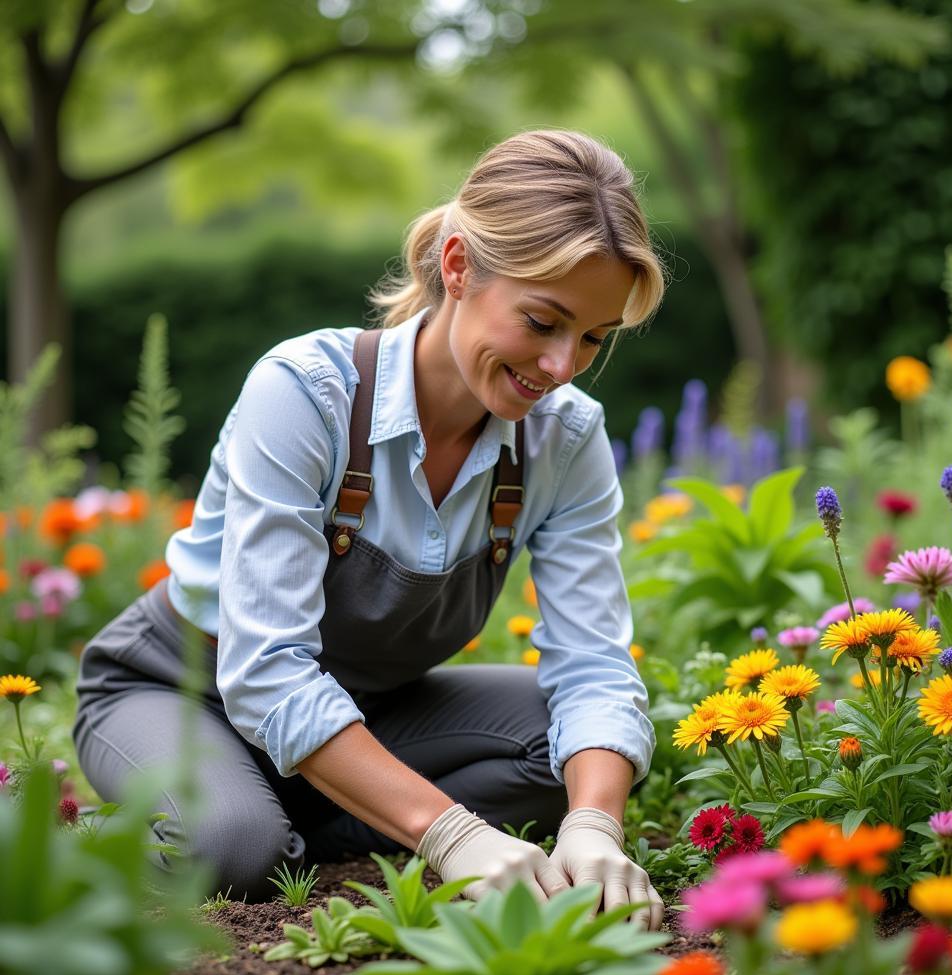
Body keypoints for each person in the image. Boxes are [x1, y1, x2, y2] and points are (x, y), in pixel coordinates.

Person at [73, 128, 667, 931]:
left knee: (565, 759)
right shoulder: (307, 394)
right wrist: (451, 831)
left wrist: (596, 826)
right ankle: (175, 823)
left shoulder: (563, 438)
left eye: (593, 338)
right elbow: (268, 671)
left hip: (371, 711)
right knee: (233, 849)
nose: (562, 366)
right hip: (186, 689)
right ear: (457, 267)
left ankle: (301, 815)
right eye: (542, 320)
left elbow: (594, 663)